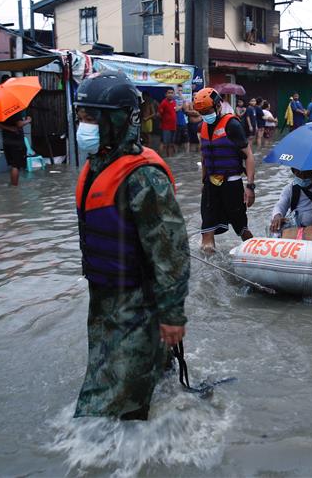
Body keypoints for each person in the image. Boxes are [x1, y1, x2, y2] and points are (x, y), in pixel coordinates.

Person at [73, 71, 189, 421]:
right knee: (109, 368)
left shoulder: (144, 176)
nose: (84, 126)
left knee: (114, 399)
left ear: (118, 119)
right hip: (106, 295)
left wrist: (172, 315)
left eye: (92, 118)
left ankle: (121, 454)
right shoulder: (98, 164)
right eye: (81, 117)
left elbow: (169, 250)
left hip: (137, 301)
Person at [195, 87, 256, 251]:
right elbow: (204, 156)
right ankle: (211, 275)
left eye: (207, 110)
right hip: (210, 184)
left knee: (241, 228)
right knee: (207, 231)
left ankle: (255, 252)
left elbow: (249, 155)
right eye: (202, 112)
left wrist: (250, 187)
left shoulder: (232, 125)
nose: (205, 114)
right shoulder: (202, 127)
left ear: (218, 106)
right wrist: (203, 182)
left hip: (231, 183)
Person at [0, 110, 31, 186]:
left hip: (6, 140)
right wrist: (28, 120)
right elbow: (19, 124)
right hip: (16, 140)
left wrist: (8, 128)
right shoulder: (15, 111)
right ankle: (14, 187)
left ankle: (12, 185)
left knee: (13, 164)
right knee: (16, 165)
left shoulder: (1, 111)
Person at [157, 88, 177, 157]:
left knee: (171, 144)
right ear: (166, 94)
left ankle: (169, 158)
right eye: (169, 93)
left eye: (172, 93)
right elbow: (158, 114)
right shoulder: (163, 103)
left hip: (173, 126)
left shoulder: (174, 102)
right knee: (164, 143)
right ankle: (159, 159)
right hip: (165, 127)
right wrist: (163, 121)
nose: (170, 94)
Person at [173, 89, 190, 153]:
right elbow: (176, 109)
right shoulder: (173, 101)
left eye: (181, 91)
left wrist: (182, 98)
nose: (179, 92)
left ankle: (187, 153)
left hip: (183, 123)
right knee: (176, 140)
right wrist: (181, 105)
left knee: (186, 139)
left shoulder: (182, 101)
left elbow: (185, 108)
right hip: (176, 124)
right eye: (178, 90)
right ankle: (176, 152)